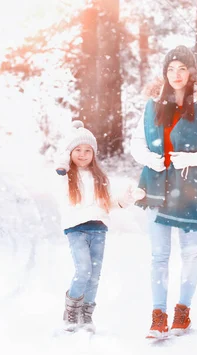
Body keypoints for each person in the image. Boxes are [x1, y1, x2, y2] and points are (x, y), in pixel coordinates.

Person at [130, 45, 197, 338]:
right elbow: (137, 143)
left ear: (191, 72)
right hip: (156, 184)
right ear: (165, 72)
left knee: (189, 253)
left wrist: (193, 159)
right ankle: (158, 316)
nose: (176, 75)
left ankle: (182, 314)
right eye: (171, 69)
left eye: (182, 68)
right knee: (159, 255)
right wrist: (151, 159)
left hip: (188, 186)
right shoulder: (152, 105)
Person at [55, 120, 145, 333]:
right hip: (76, 229)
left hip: (98, 228)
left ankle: (86, 316)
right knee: (83, 269)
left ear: (94, 154)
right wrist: (64, 157)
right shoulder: (64, 175)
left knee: (94, 275)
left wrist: (129, 197)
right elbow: (59, 163)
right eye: (77, 150)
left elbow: (110, 203)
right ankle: (71, 312)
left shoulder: (99, 178)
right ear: (69, 153)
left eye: (88, 150)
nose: (83, 154)